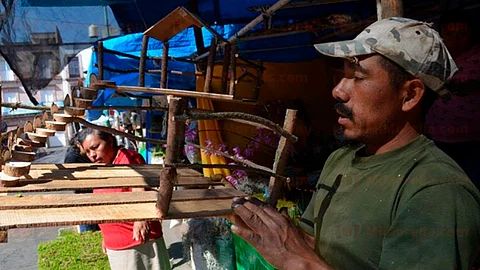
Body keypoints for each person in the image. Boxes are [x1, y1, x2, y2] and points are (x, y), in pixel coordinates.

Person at [229, 17, 480, 269]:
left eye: (358, 77)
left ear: (410, 95)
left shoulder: (437, 192)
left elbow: (304, 258)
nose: (338, 90)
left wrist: (300, 261)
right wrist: (275, 232)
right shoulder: (341, 160)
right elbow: (317, 244)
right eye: (343, 75)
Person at [78, 128, 171, 270]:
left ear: (109, 141)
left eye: (95, 148)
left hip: (137, 241)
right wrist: (106, 235)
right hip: (116, 244)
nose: (92, 155)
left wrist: (141, 218)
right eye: (88, 152)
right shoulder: (104, 168)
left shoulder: (128, 158)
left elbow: (139, 186)